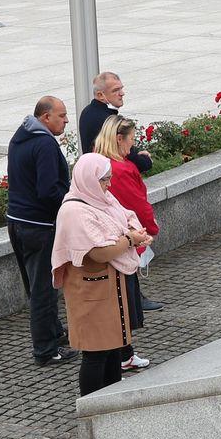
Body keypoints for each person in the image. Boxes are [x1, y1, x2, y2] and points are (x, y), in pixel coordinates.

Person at [51, 152, 152, 395]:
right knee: (96, 354)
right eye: (104, 179)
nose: (109, 184)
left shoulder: (101, 198)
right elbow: (98, 252)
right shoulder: (75, 211)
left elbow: (125, 215)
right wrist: (129, 239)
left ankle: (110, 402)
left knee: (113, 349)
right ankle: (91, 407)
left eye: (109, 178)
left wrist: (132, 231)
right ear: (88, 179)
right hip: (90, 293)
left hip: (109, 289)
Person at [5, 95, 77, 365]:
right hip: (39, 227)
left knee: (36, 288)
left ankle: (54, 333)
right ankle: (46, 351)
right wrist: (72, 201)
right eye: (61, 115)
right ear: (45, 117)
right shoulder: (44, 144)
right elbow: (48, 190)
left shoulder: (19, 137)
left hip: (17, 223)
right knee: (44, 290)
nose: (67, 120)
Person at [95, 115, 161, 365]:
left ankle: (123, 353)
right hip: (123, 241)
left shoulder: (100, 161)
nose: (132, 146)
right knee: (124, 299)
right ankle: (123, 354)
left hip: (112, 239)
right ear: (119, 139)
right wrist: (150, 230)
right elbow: (137, 205)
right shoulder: (120, 170)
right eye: (131, 140)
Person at [79, 72, 154, 173]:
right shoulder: (109, 121)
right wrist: (146, 160)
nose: (122, 93)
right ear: (100, 95)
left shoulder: (88, 111)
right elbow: (128, 155)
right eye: (115, 90)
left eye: (121, 88)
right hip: (112, 178)